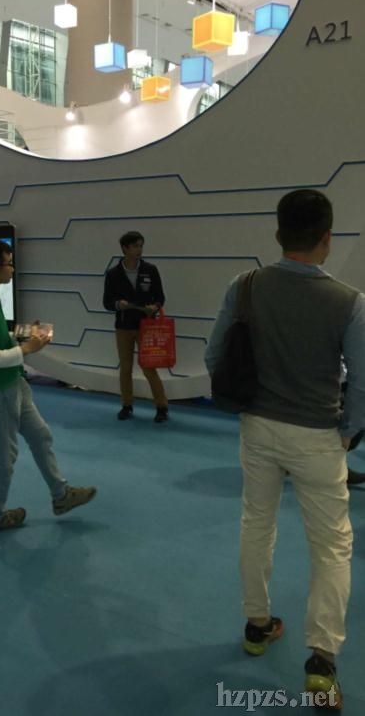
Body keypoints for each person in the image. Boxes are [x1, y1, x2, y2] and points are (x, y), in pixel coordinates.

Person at [205, 189, 365, 709]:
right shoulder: (350, 302)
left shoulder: (245, 286)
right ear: (327, 238)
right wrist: (347, 432)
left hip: (257, 426)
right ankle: (322, 662)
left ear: (278, 234)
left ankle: (257, 624)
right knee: (332, 546)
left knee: (257, 522)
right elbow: (362, 384)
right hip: (318, 436)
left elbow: (214, 355)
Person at [0, 238, 97, 533]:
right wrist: (26, 349)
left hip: (12, 384)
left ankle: (61, 495)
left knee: (41, 436)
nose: (12, 269)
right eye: (9, 263)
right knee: (6, 456)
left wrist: (21, 337)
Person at [103, 231, 169, 422]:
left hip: (145, 326)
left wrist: (155, 306)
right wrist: (118, 305)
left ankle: (162, 407)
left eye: (141, 246)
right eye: (135, 246)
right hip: (123, 326)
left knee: (149, 368)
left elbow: (160, 297)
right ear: (125, 248)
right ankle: (126, 405)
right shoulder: (113, 274)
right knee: (125, 368)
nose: (139, 250)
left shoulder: (150, 270)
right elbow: (107, 302)